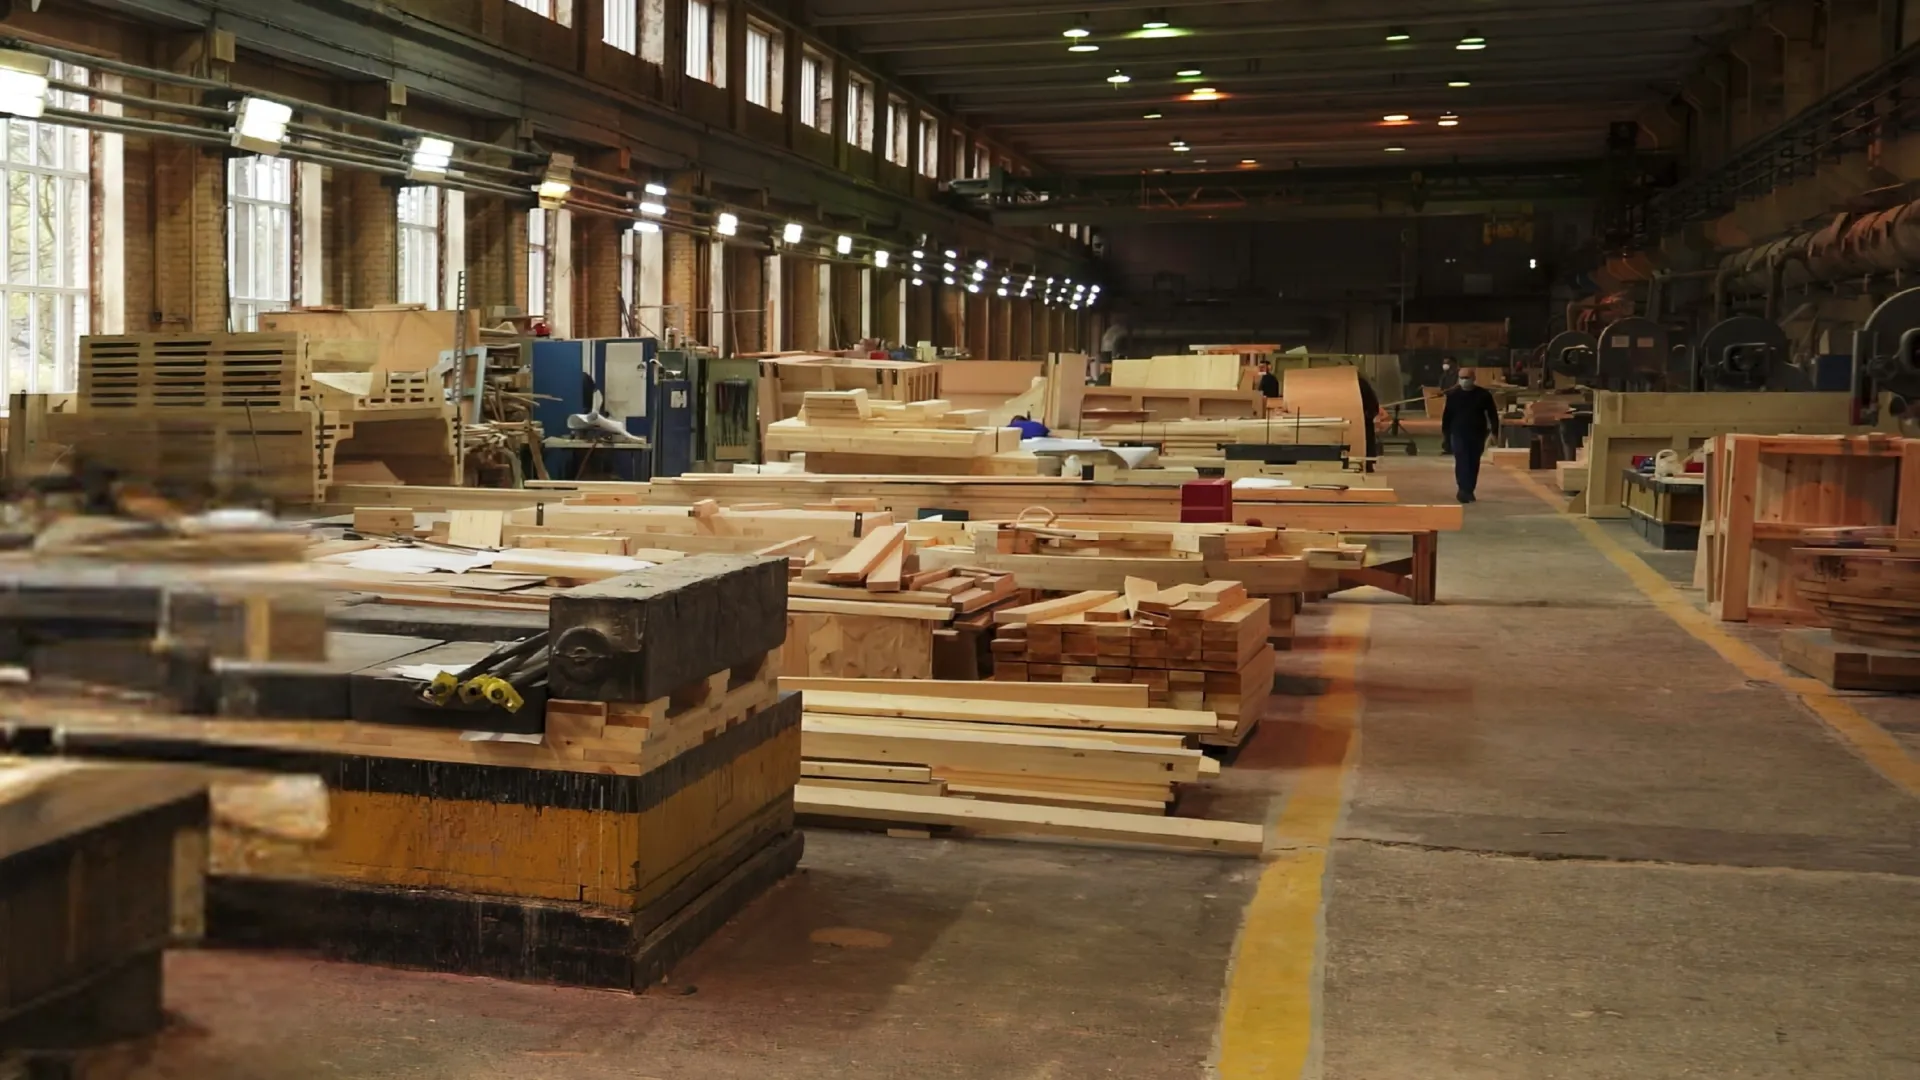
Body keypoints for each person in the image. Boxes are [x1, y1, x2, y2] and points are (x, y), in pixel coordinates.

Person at [1440, 369, 1500, 504]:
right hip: (1458, 433)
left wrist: (1494, 432)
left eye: (1467, 377)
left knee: (1473, 462)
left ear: (1473, 378)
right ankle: (1463, 489)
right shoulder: (1453, 395)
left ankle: (1469, 489)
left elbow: (1492, 414)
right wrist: (1445, 434)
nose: (1464, 380)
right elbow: (1447, 416)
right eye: (1462, 377)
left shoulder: (1483, 395)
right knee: (1461, 461)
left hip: (1477, 433)